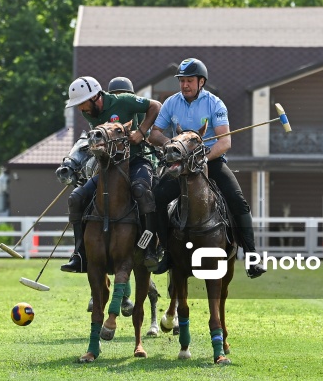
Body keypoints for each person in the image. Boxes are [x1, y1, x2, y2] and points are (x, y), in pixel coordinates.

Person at [148, 58, 266, 278]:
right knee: (156, 198)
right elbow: (154, 133)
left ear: (201, 82)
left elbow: (225, 142)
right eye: (182, 81)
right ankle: (165, 251)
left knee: (238, 201)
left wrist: (203, 160)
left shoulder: (215, 104)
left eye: (189, 81)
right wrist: (172, 146)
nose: (184, 85)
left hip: (210, 161)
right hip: (179, 165)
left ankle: (252, 257)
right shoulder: (171, 103)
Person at [61, 76, 162, 273]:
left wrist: (141, 132)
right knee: (76, 197)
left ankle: (150, 249)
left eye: (82, 104)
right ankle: (80, 254)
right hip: (109, 168)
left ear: (95, 96)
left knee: (141, 190)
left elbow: (156, 106)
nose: (81, 109)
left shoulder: (123, 101)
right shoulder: (89, 113)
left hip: (137, 161)